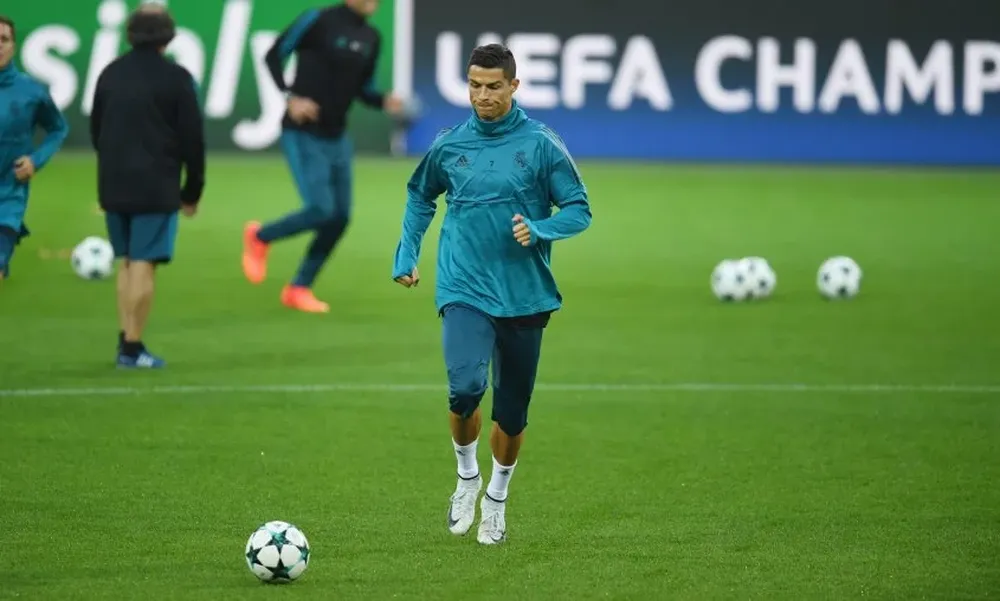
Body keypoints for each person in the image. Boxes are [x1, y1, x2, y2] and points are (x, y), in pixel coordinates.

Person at [391, 44, 593, 545]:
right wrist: (407, 252)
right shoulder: (450, 144)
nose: (482, 95)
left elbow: (579, 209)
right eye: (474, 85)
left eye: (493, 86)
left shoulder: (542, 144)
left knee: (512, 412)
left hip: (524, 292)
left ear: (514, 86)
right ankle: (466, 478)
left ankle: (497, 500)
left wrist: (542, 229)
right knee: (463, 389)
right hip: (463, 283)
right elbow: (421, 195)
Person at [241, 0, 405, 313]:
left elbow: (364, 89)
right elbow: (274, 54)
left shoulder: (372, 37)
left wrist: (384, 100)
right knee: (320, 208)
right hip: (303, 131)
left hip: (336, 136)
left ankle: (299, 287)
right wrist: (291, 97)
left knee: (340, 217)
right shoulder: (318, 19)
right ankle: (260, 236)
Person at [89, 3, 206, 368]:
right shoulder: (177, 78)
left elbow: (97, 128)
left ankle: (125, 339)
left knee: (126, 262)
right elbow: (192, 140)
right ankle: (132, 347)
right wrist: (192, 192)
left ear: (129, 35)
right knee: (144, 264)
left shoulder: (110, 73)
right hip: (156, 185)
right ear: (169, 37)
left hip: (113, 182)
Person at [0, 15, 69, 282]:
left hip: (8, 197)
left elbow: (58, 128)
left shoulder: (31, 91)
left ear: (13, 46)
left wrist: (35, 160)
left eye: (3, 39)